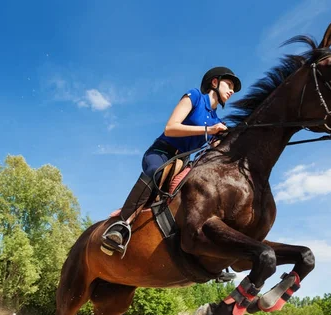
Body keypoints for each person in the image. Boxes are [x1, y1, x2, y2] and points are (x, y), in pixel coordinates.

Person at [101, 67, 242, 255]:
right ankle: (120, 226)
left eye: (233, 87)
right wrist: (209, 131)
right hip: (161, 152)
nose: (232, 91)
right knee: (156, 171)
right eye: (229, 85)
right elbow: (171, 128)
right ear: (214, 83)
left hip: (182, 162)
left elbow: (216, 145)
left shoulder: (216, 119)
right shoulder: (195, 96)